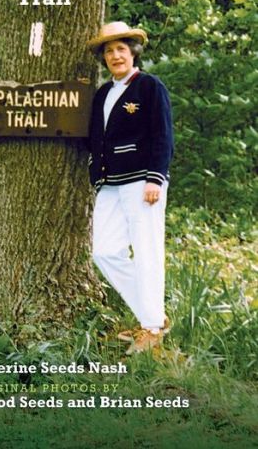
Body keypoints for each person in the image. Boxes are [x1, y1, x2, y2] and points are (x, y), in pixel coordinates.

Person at [87, 21, 174, 354]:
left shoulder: (149, 87)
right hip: (109, 183)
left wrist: (156, 176)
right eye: (109, 51)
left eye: (121, 49)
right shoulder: (103, 94)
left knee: (147, 250)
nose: (115, 56)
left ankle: (151, 328)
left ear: (133, 53)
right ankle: (152, 316)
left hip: (143, 181)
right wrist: (96, 173)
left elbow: (163, 135)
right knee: (104, 252)